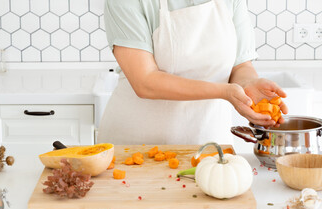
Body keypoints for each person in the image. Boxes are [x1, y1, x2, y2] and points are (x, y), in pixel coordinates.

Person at [97, 0, 288, 145]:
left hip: (209, 145)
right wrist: (225, 91)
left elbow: (240, 66)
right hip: (135, 147)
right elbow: (144, 82)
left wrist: (248, 85)